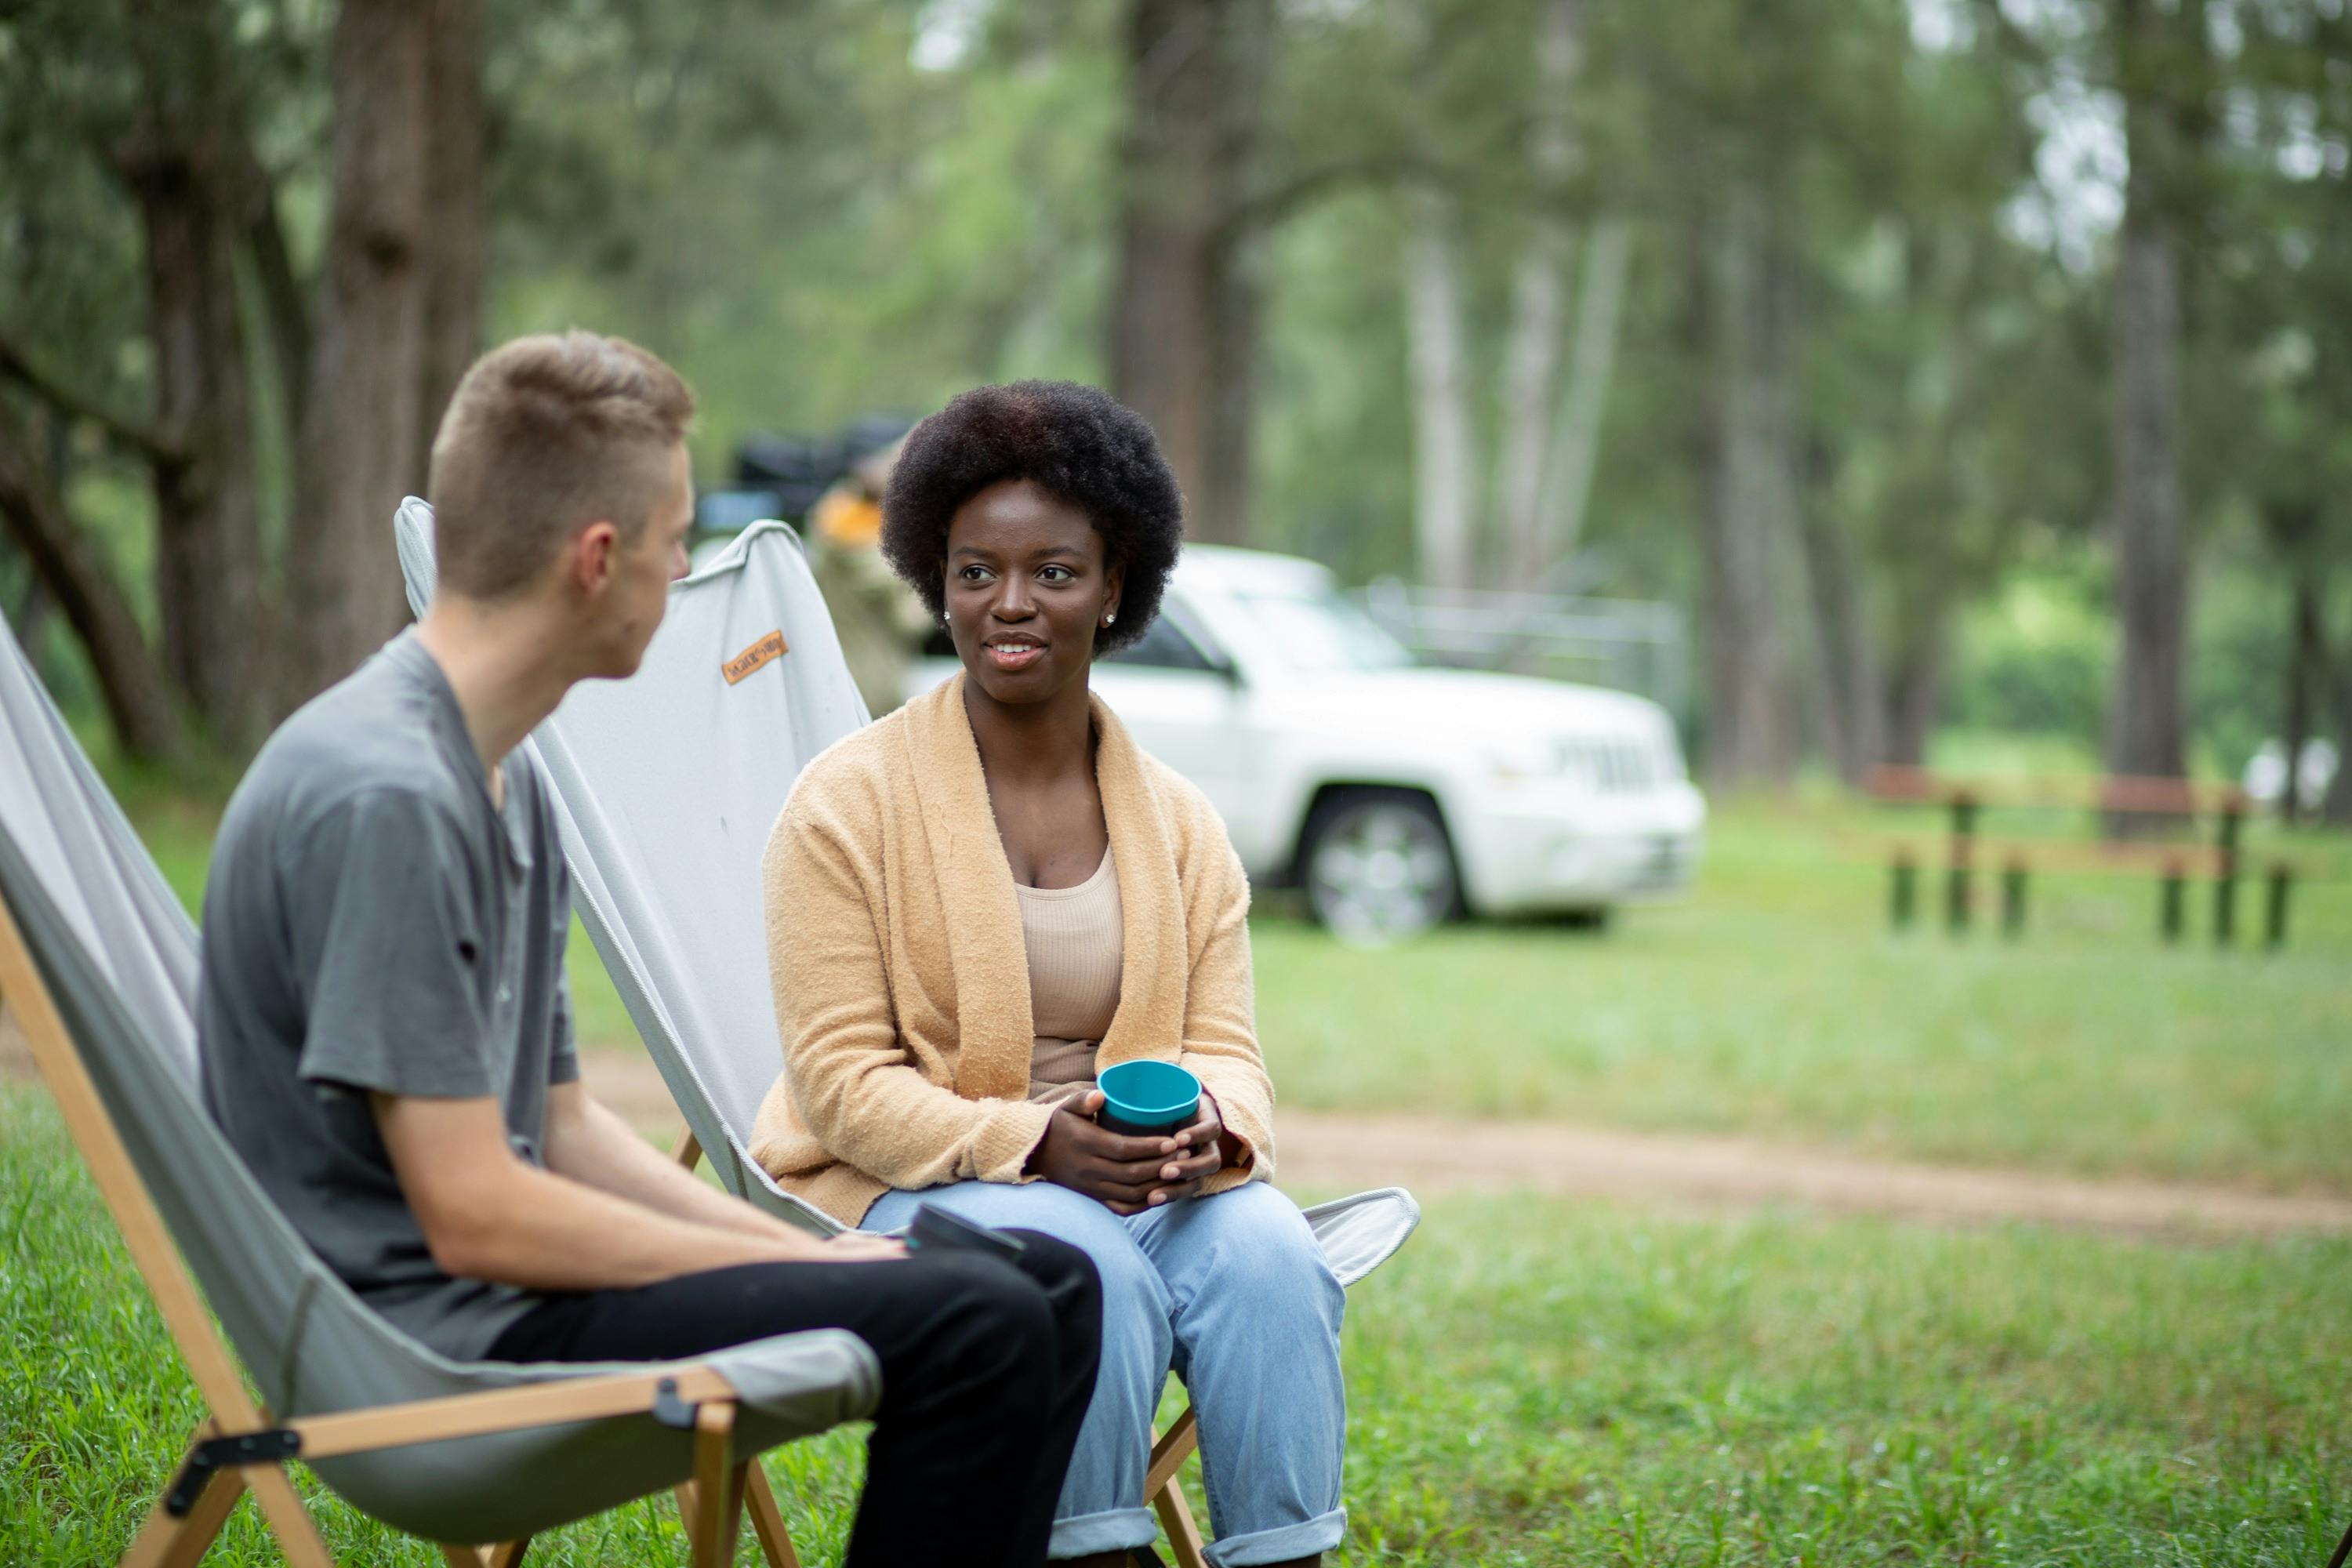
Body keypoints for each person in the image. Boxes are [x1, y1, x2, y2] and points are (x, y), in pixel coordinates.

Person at [197, 333, 1101, 1568]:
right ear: (598, 560)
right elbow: (475, 1214)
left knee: (1047, 1280)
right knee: (985, 1318)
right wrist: (808, 1277)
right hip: (438, 1347)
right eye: (676, 541)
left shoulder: (500, 775)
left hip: (509, 1294)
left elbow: (561, 1131)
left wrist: (802, 1255)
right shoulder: (388, 794)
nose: (686, 572)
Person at [749, 381, 1348, 1568]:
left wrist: (1207, 1137)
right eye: (976, 572)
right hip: (916, 1181)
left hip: (1139, 1187)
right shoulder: (844, 807)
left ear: (1116, 583)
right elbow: (838, 1085)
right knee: (1075, 1266)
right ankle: (1092, 1553)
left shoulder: (1179, 823)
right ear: (936, 577)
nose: (1010, 604)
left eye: (1054, 572)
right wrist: (1031, 1143)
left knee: (1274, 1254)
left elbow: (1228, 1052)